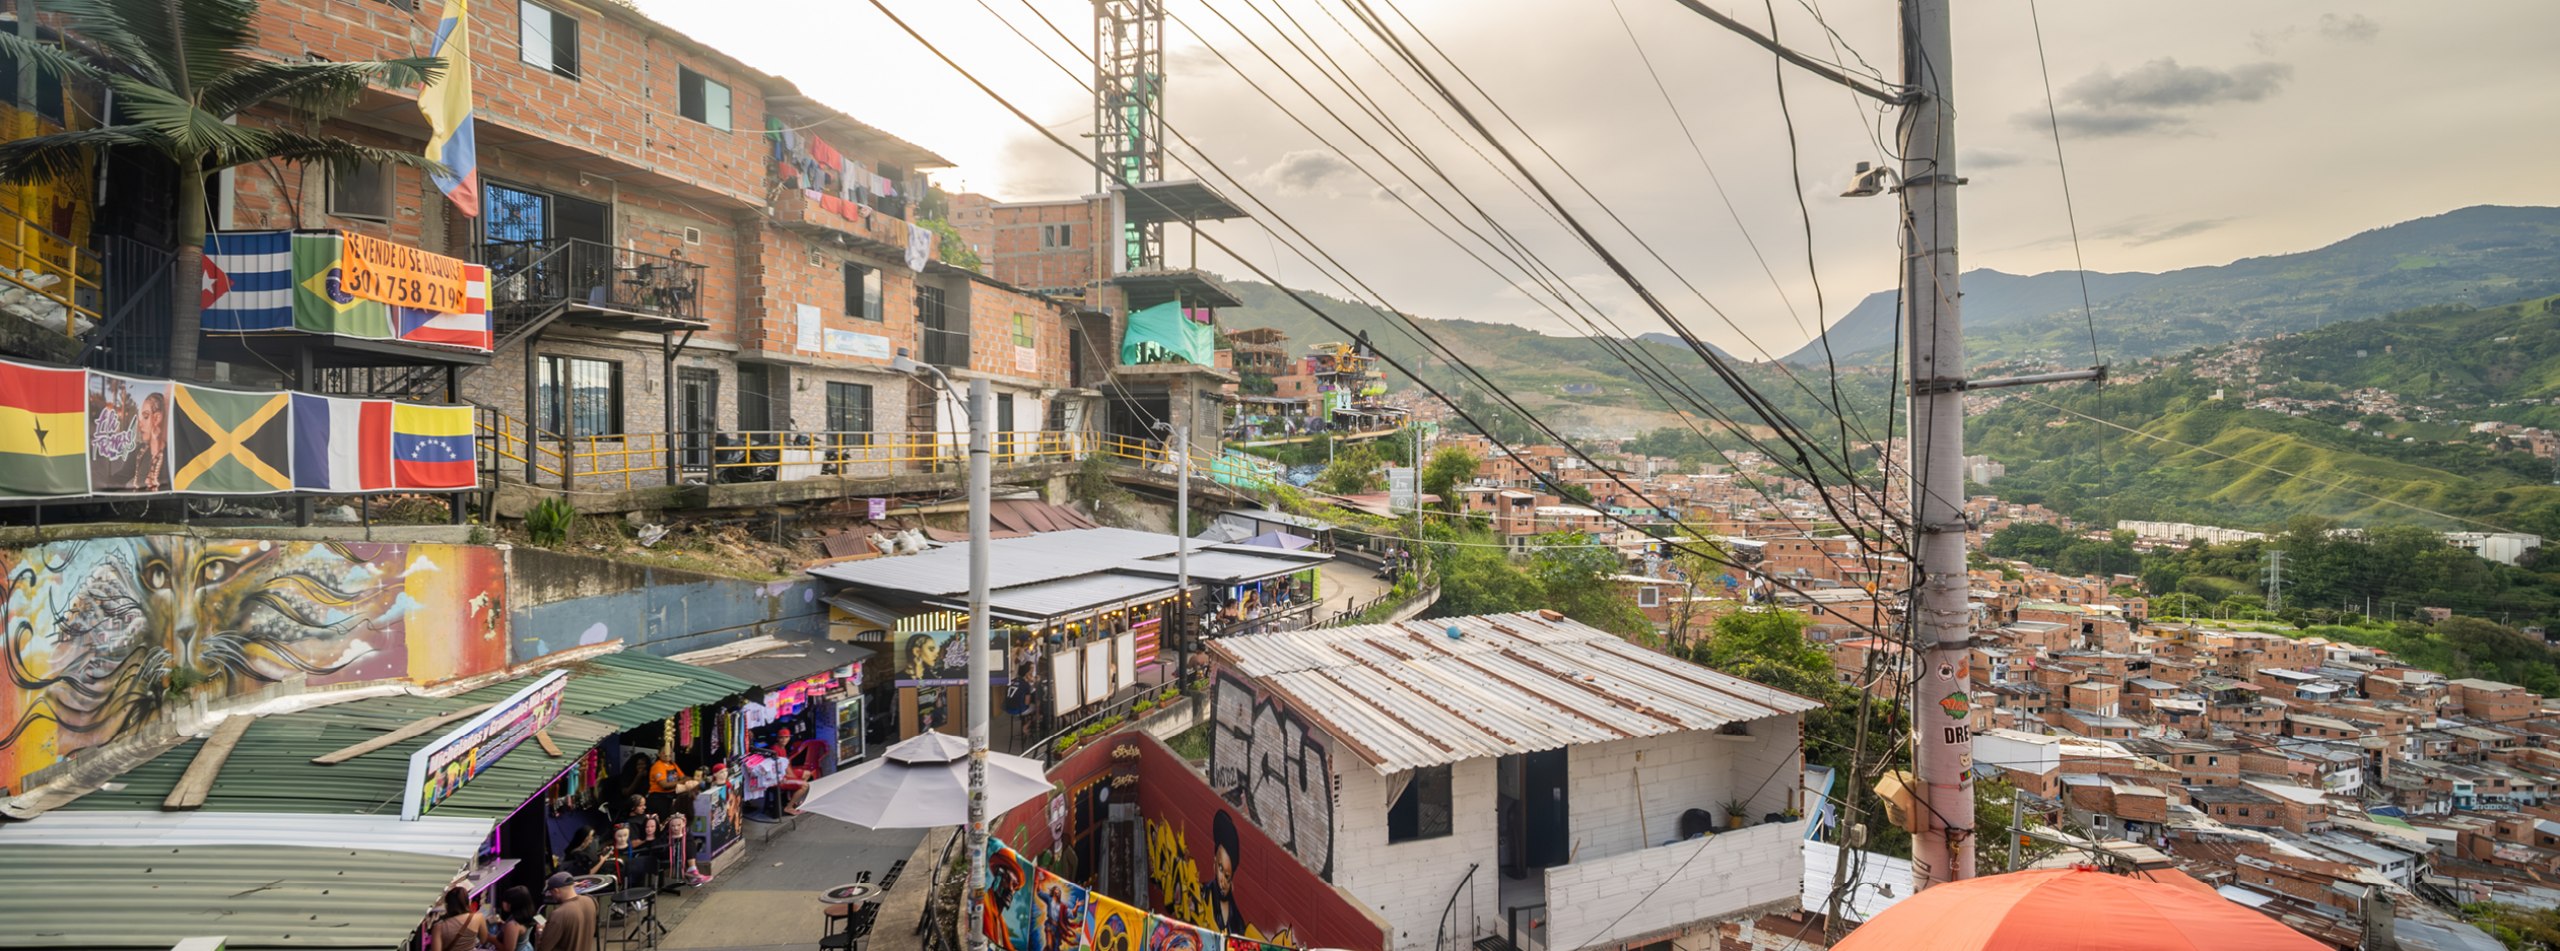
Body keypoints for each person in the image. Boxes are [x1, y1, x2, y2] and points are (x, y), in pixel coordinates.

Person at [535, 872, 597, 951]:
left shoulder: (558, 914)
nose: (551, 895)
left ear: (556, 890)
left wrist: (540, 931)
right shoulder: (591, 901)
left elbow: (543, 949)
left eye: (551, 892)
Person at [1207, 811, 1246, 936]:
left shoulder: (1237, 922)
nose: (1223, 881)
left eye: (1227, 876)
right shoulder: (1200, 896)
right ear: (1214, 864)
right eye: (1220, 868)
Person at [425, 886, 488, 951]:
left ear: (448, 905)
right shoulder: (478, 917)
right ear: (467, 902)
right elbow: (483, 940)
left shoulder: (438, 928)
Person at [493, 885, 538, 951]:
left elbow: (508, 949)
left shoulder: (513, 925)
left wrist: (489, 938)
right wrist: (503, 924)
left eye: (506, 901)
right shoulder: (527, 914)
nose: (503, 903)